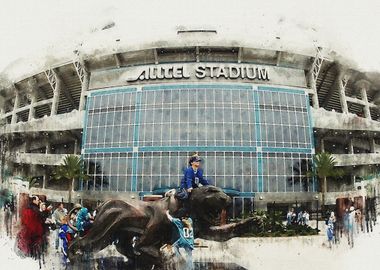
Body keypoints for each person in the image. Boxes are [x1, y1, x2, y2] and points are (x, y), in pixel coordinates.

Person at [17, 196, 44, 261]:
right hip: (34, 231)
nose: (38, 201)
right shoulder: (35, 209)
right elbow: (40, 219)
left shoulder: (27, 209)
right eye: (38, 200)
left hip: (26, 230)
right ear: (34, 201)